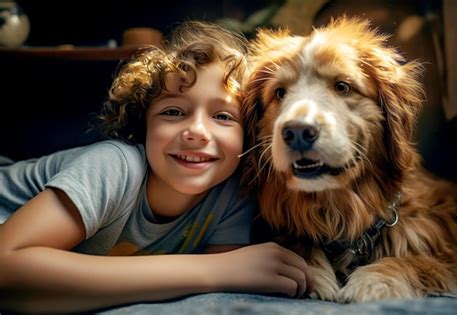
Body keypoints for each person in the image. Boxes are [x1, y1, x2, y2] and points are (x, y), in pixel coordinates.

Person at [0, 21, 312, 313]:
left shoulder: (231, 195)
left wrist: (227, 272)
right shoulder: (115, 166)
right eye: (174, 111)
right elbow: (6, 268)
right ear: (143, 126)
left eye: (223, 116)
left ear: (246, 135)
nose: (197, 131)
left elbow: (226, 287)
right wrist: (212, 270)